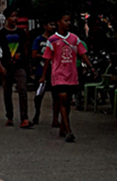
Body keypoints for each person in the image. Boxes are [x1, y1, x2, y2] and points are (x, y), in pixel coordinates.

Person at [40, 13, 94, 143]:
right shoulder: (52, 40)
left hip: (71, 75)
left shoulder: (74, 39)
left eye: (69, 21)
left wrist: (91, 67)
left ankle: (63, 126)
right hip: (58, 75)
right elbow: (47, 59)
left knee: (67, 101)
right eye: (65, 21)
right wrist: (43, 76)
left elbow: (83, 53)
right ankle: (68, 130)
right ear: (59, 22)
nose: (68, 23)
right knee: (63, 100)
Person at [0, 6, 31, 128]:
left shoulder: (21, 33)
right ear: (7, 18)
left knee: (22, 91)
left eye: (16, 16)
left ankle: (24, 117)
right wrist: (0, 67)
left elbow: (25, 49)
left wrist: (27, 64)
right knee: (7, 92)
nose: (15, 19)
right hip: (6, 66)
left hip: (20, 66)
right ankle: (9, 116)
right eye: (12, 16)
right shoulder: (1, 34)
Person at [31, 20, 57, 126]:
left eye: (54, 25)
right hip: (41, 71)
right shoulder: (39, 40)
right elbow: (34, 54)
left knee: (56, 96)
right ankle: (37, 113)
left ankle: (55, 118)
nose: (53, 27)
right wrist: (46, 56)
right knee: (39, 95)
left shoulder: (56, 39)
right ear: (45, 26)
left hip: (55, 71)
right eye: (51, 24)